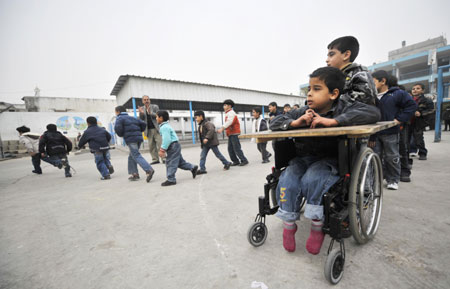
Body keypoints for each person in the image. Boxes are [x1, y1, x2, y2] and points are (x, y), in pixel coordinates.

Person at [270, 67, 380, 255]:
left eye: (317, 89)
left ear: (333, 93)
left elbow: (373, 113)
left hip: (331, 160)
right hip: (303, 158)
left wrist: (336, 122)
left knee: (313, 178)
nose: (310, 94)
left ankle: (316, 225)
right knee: (287, 180)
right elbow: (275, 122)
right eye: (309, 89)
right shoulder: (303, 111)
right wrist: (294, 124)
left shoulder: (343, 108)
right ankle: (289, 224)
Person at [369, 71, 416, 190]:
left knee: (392, 157)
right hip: (374, 132)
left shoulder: (397, 94)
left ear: (383, 81)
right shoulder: (371, 96)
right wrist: (372, 136)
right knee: (375, 157)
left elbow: (411, 106)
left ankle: (393, 179)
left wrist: (399, 120)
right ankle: (376, 180)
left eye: (373, 81)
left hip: (391, 132)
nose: (370, 84)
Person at [326, 36, 377, 106]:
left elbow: (362, 101)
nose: (327, 60)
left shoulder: (360, 75)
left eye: (331, 55)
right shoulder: (333, 78)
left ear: (346, 55)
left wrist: (326, 101)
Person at [157, 110, 198, 186]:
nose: (156, 118)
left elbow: (167, 139)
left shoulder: (164, 127)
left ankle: (171, 179)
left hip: (172, 146)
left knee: (170, 162)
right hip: (175, 145)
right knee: (180, 163)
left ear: (161, 118)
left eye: (157, 117)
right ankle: (192, 167)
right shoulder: (166, 126)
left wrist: (162, 150)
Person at [114, 106, 155, 182]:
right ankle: (134, 174)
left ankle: (148, 170)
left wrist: (122, 134)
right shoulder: (133, 118)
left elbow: (118, 129)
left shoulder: (119, 118)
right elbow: (143, 124)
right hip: (138, 138)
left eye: (115, 112)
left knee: (136, 155)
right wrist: (139, 131)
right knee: (131, 155)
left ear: (118, 111)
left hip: (131, 139)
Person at [217, 99, 249, 166]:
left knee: (236, 148)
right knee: (230, 149)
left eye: (225, 105)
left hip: (234, 133)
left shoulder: (231, 113)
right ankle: (235, 161)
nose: (224, 107)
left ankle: (244, 160)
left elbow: (229, 122)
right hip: (231, 133)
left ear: (229, 106)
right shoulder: (228, 113)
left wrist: (222, 128)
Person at [410, 83, 435, 160]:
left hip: (419, 122)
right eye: (413, 89)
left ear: (423, 90)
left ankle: (422, 153)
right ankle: (411, 151)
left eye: (418, 88)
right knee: (408, 138)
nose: (415, 90)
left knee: (419, 138)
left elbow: (431, 111)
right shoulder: (408, 99)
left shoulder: (427, 100)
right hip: (408, 122)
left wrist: (421, 113)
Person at [138, 95, 162, 164]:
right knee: (151, 146)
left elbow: (158, 115)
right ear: (143, 101)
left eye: (147, 99)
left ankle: (164, 158)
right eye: (145, 100)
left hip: (156, 128)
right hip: (148, 130)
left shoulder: (155, 107)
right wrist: (141, 113)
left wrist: (150, 113)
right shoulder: (142, 108)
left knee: (160, 144)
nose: (146, 101)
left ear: (149, 100)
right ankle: (155, 159)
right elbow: (141, 119)